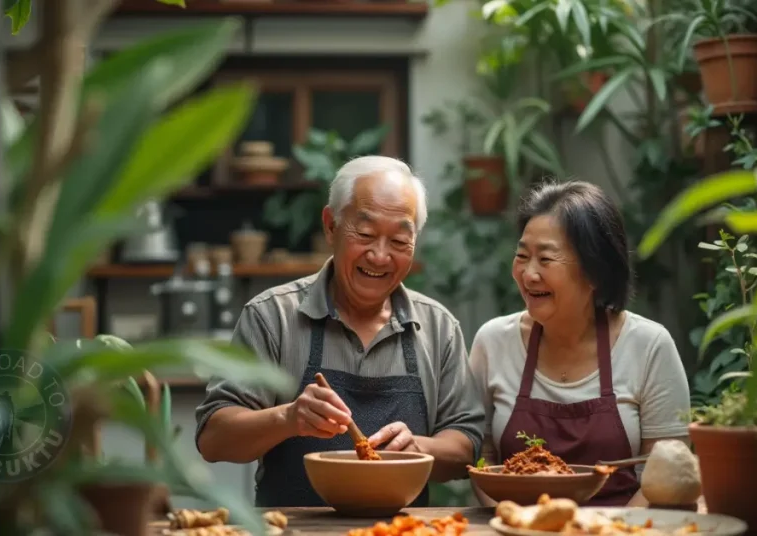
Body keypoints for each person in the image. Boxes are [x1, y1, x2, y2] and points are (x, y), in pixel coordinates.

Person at [195, 155, 485, 507]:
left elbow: (467, 444)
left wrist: (420, 448)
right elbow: (214, 439)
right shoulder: (272, 316)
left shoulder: (438, 327)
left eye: (398, 241)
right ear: (331, 226)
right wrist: (288, 418)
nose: (379, 256)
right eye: (364, 234)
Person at [468, 180, 690, 507]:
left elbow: (666, 476)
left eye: (546, 259)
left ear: (594, 272)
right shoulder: (493, 342)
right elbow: (483, 459)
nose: (528, 274)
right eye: (522, 255)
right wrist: (516, 522)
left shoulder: (649, 346)